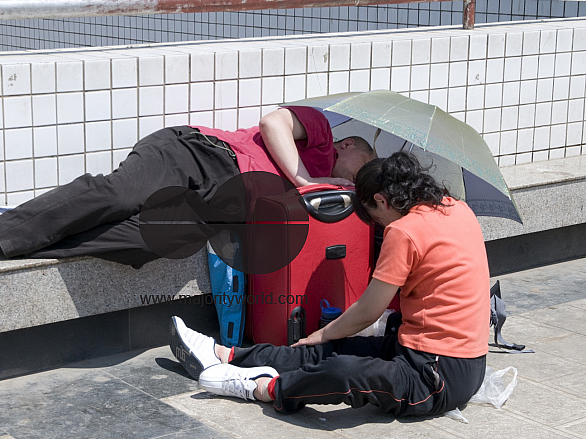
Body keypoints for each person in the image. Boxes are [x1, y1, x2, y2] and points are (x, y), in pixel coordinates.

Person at [170, 152, 490, 417]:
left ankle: (261, 388)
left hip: (438, 375)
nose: (377, 225)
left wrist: (321, 332)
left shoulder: (404, 231)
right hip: (423, 350)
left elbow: (367, 312)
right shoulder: (456, 207)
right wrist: (322, 338)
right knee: (327, 349)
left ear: (380, 200)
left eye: (373, 217)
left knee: (344, 370)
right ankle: (224, 354)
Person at [0, 106, 375, 267]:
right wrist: (305, 178)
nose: (355, 177)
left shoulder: (327, 193)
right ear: (350, 143)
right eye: (363, 165)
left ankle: (4, 230)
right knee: (119, 194)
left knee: (138, 242)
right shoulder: (319, 133)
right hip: (197, 153)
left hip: (211, 209)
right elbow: (272, 121)